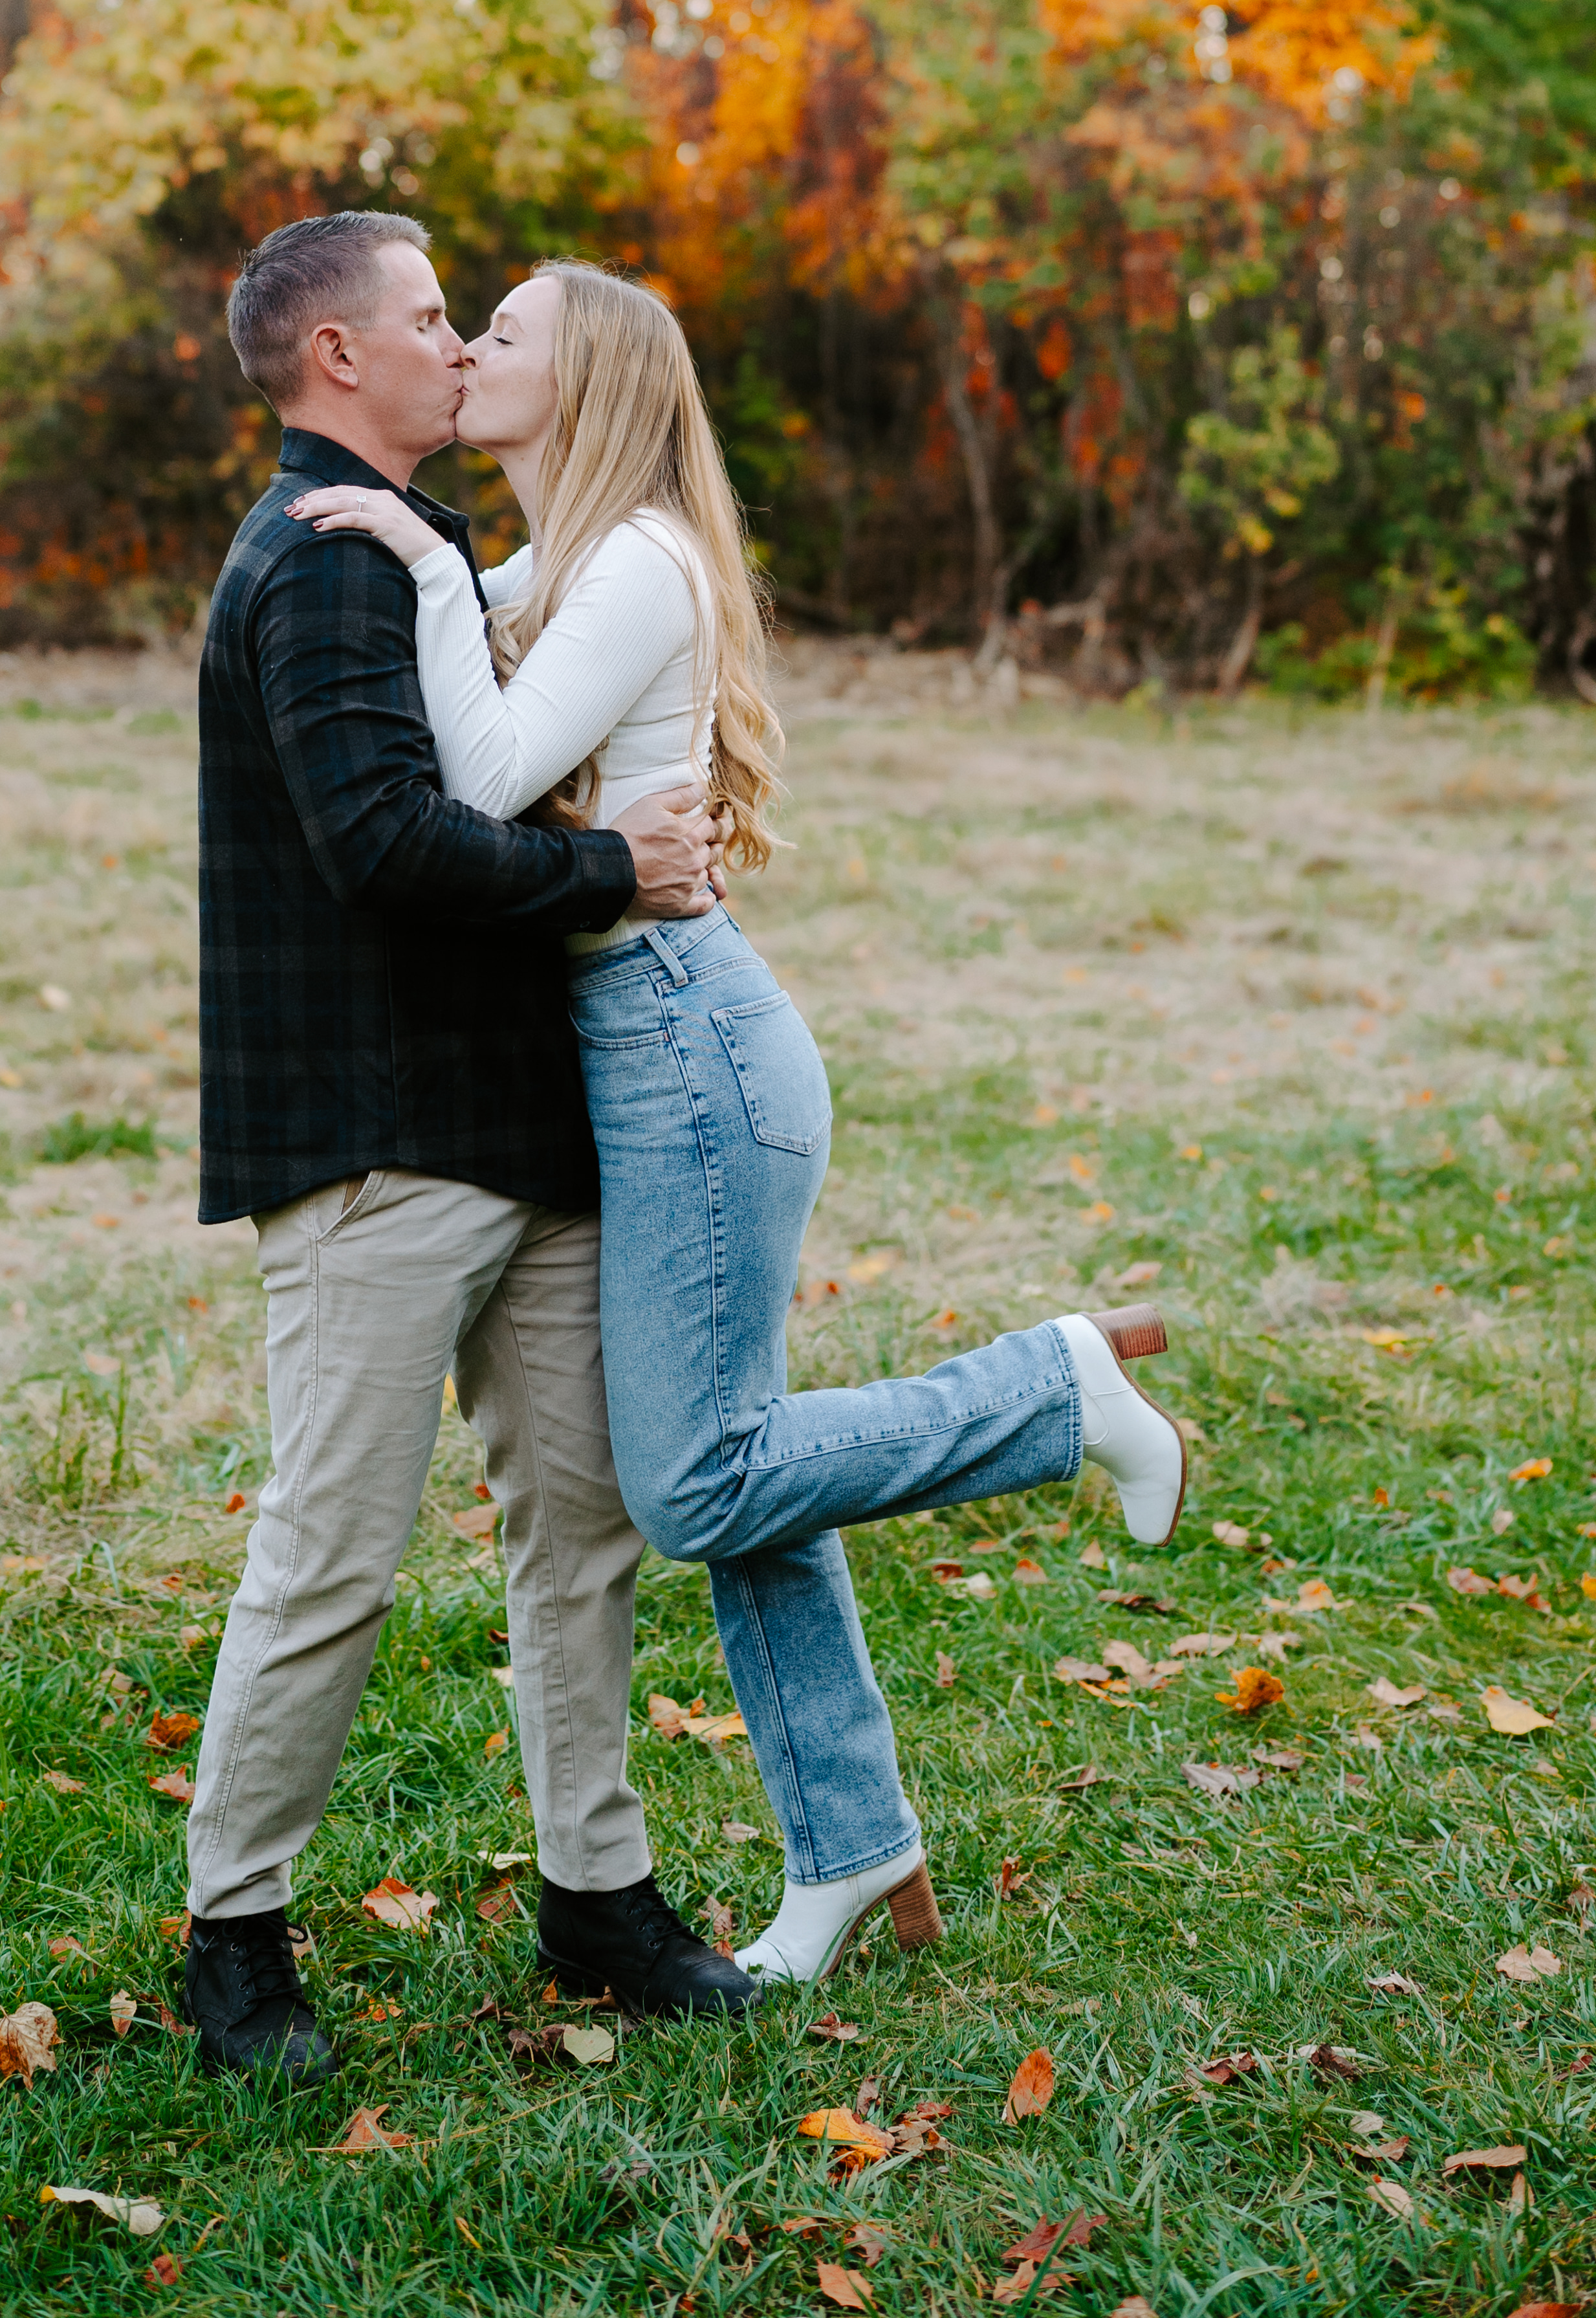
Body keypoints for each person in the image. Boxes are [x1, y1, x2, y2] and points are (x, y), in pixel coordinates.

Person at [289, 258, 1186, 1988]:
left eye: (508, 334)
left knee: (694, 1482)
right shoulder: (575, 556)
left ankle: (1053, 1390)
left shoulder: (632, 563)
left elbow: (474, 780)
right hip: (651, 1041)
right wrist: (439, 570)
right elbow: (471, 682)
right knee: (742, 1458)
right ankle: (850, 1849)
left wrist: (410, 553)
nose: (473, 349)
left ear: (594, 380)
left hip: (688, 1043)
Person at [180, 210, 762, 2086]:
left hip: (529, 1125)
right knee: (333, 1551)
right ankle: (235, 1938)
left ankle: (599, 1898)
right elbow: (394, 845)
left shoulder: (429, 553)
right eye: (432, 319)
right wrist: (618, 869)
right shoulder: (328, 563)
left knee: (578, 1531)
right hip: (376, 1139)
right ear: (340, 358)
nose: (456, 342)